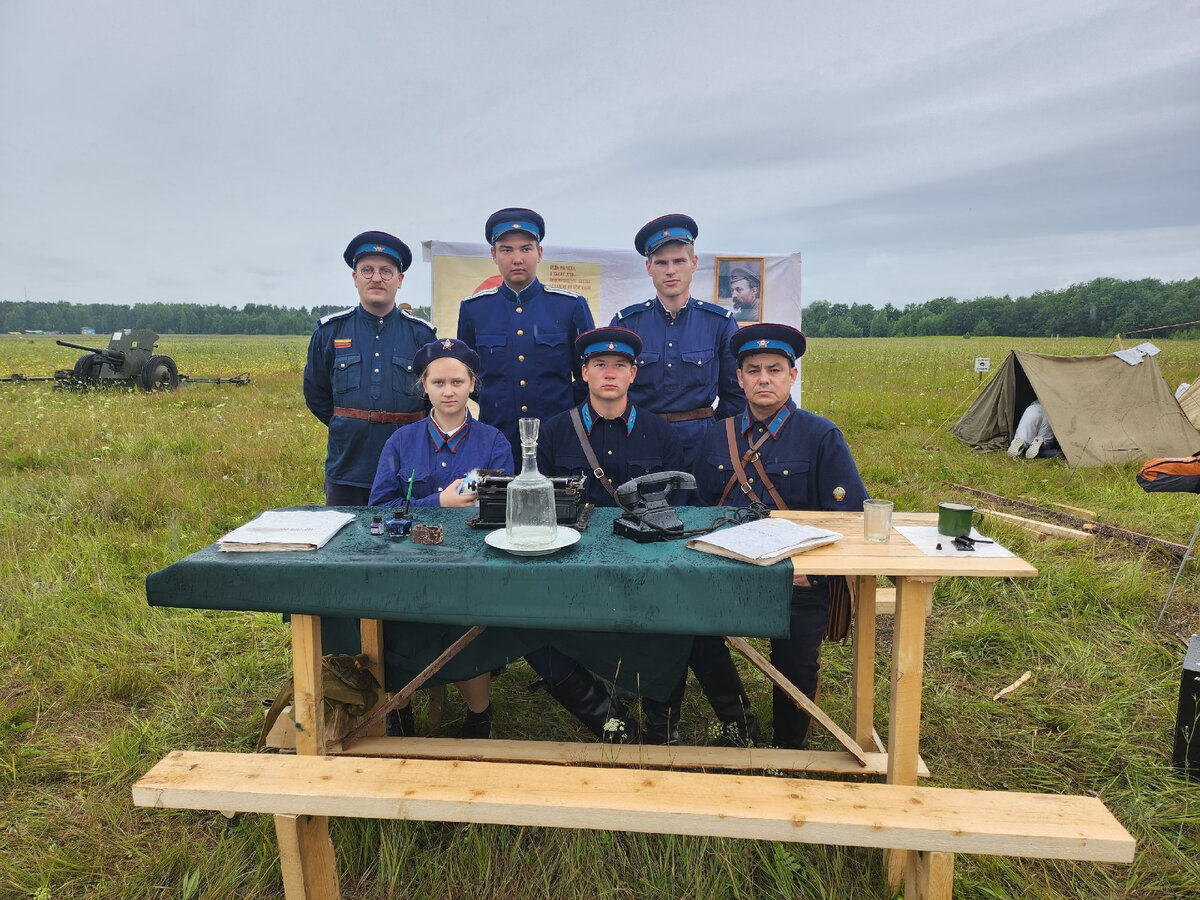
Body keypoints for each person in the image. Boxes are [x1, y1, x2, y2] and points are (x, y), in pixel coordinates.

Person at [694, 324, 868, 749]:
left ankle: (790, 746)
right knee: (689, 631)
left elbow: (848, 517)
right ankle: (738, 720)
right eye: (753, 370)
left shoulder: (821, 435)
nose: (763, 379)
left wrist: (808, 569)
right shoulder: (717, 435)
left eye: (775, 369)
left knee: (796, 662)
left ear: (792, 376)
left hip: (797, 578)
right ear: (739, 379)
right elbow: (696, 507)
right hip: (726, 572)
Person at [535, 326, 687, 743]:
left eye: (620, 365)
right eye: (599, 364)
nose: (609, 373)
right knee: (530, 628)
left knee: (679, 624)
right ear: (583, 373)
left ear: (633, 374)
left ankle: (662, 723)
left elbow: (681, 510)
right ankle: (610, 721)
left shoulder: (661, 433)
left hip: (648, 562)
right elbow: (539, 507)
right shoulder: (553, 433)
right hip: (573, 560)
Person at [368, 338, 513, 739]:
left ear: (472, 385)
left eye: (457, 381)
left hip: (473, 559)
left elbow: (503, 509)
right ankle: (398, 707)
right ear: (424, 386)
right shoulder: (400, 442)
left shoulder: (494, 442)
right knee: (395, 625)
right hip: (408, 555)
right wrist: (438, 502)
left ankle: (478, 713)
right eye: (438, 382)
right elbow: (378, 509)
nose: (448, 391)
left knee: (465, 626)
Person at [304, 231, 436, 506]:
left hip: (407, 466)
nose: (376, 278)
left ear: (399, 280)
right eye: (367, 270)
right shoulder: (330, 331)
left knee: (406, 544)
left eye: (386, 271)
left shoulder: (422, 336)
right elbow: (316, 394)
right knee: (345, 543)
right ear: (355, 278)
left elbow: (431, 399)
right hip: (348, 468)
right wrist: (350, 424)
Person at [457, 208, 595, 466]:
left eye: (526, 249)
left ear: (540, 253)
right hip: (496, 438)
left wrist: (563, 408)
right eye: (507, 250)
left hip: (558, 437)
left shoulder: (569, 306)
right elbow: (467, 377)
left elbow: (589, 375)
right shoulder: (474, 309)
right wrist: (495, 402)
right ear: (494, 254)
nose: (517, 258)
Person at [611, 214, 744, 470]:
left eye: (678, 261)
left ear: (693, 263)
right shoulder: (626, 324)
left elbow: (736, 393)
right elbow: (612, 389)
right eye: (661, 262)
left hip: (702, 444)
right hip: (640, 440)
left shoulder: (719, 322)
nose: (670, 270)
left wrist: (717, 435)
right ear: (649, 267)